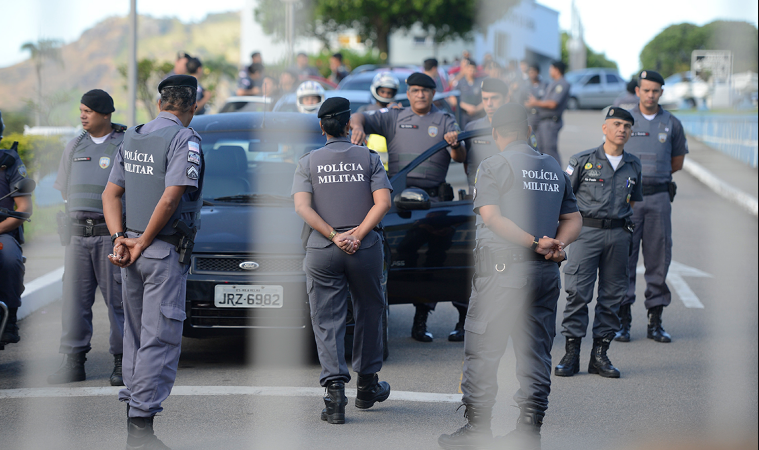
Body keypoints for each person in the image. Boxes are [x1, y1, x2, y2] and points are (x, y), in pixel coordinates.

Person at [438, 103, 582, 450]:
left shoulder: (494, 165)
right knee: (536, 352)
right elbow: (574, 218)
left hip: (503, 273)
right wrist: (555, 243)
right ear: (528, 130)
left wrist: (533, 242)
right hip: (545, 274)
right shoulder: (552, 168)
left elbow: (492, 217)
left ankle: (477, 429)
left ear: (496, 133)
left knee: (483, 348)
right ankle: (529, 430)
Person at [102, 74, 204, 449]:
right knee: (160, 335)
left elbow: (110, 195)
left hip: (129, 251)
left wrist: (121, 240)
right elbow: (170, 199)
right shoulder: (183, 138)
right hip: (159, 250)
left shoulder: (133, 136)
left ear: (160, 104)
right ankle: (141, 427)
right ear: (191, 108)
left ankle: (133, 410)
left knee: (136, 333)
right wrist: (144, 241)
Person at [292, 97, 392, 424]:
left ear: (321, 127)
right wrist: (357, 235)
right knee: (370, 310)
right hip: (364, 249)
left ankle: (334, 396)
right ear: (349, 125)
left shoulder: (308, 162)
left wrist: (335, 236)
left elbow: (303, 209)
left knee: (326, 318)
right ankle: (367, 386)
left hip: (323, 250)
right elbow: (384, 202)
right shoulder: (368, 158)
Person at [350, 72, 466, 343]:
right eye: (414, 90)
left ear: (433, 93)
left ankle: (463, 320)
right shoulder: (395, 116)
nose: (420, 95)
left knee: (446, 258)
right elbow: (361, 116)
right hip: (400, 200)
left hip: (435, 202)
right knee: (406, 258)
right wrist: (357, 126)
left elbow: (460, 157)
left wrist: (455, 143)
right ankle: (419, 318)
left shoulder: (445, 119)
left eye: (425, 91)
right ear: (409, 92)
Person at [555, 107, 643, 379]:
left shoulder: (634, 164)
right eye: (616, 124)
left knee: (612, 297)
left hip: (618, 235)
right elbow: (563, 198)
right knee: (578, 293)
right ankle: (571, 355)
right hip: (586, 233)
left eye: (627, 126)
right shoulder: (582, 160)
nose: (622, 130)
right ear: (604, 128)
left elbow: (633, 201)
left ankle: (600, 356)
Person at [47, 89, 126, 386]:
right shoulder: (74, 146)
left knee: (118, 301)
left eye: (88, 111)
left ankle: (122, 363)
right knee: (74, 302)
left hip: (110, 236)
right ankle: (73, 363)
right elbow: (67, 193)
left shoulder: (124, 144)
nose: (82, 115)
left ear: (105, 114)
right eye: (81, 110)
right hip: (78, 237)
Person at [617, 70, 688, 343]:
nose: (650, 94)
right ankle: (622, 322)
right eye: (645, 90)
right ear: (637, 91)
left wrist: (653, 176)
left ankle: (655, 322)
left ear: (661, 92)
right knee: (625, 258)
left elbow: (677, 162)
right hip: (628, 199)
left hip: (658, 198)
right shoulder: (625, 120)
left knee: (659, 258)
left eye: (655, 90)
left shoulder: (672, 123)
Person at [0, 111, 33, 347]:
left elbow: (23, 209)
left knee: (11, 259)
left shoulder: (9, 163)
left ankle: (10, 317)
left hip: (2, 230)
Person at [462, 78, 509, 192]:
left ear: (506, 99)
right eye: (485, 99)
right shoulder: (472, 128)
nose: (489, 104)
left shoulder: (518, 129)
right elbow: (466, 163)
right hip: (478, 195)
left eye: (494, 98)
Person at [525, 60, 570, 165]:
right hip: (543, 121)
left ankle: (558, 176)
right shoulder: (553, 83)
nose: (550, 71)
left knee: (550, 151)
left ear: (556, 70)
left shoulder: (562, 84)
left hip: (551, 122)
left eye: (551, 69)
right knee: (541, 149)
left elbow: (553, 103)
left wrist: (536, 102)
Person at [454, 58, 486, 128]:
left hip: (478, 115)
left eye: (473, 69)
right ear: (465, 69)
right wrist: (466, 107)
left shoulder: (480, 82)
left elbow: (486, 97)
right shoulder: (460, 82)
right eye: (469, 69)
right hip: (464, 115)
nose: (471, 72)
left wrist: (476, 109)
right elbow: (453, 99)